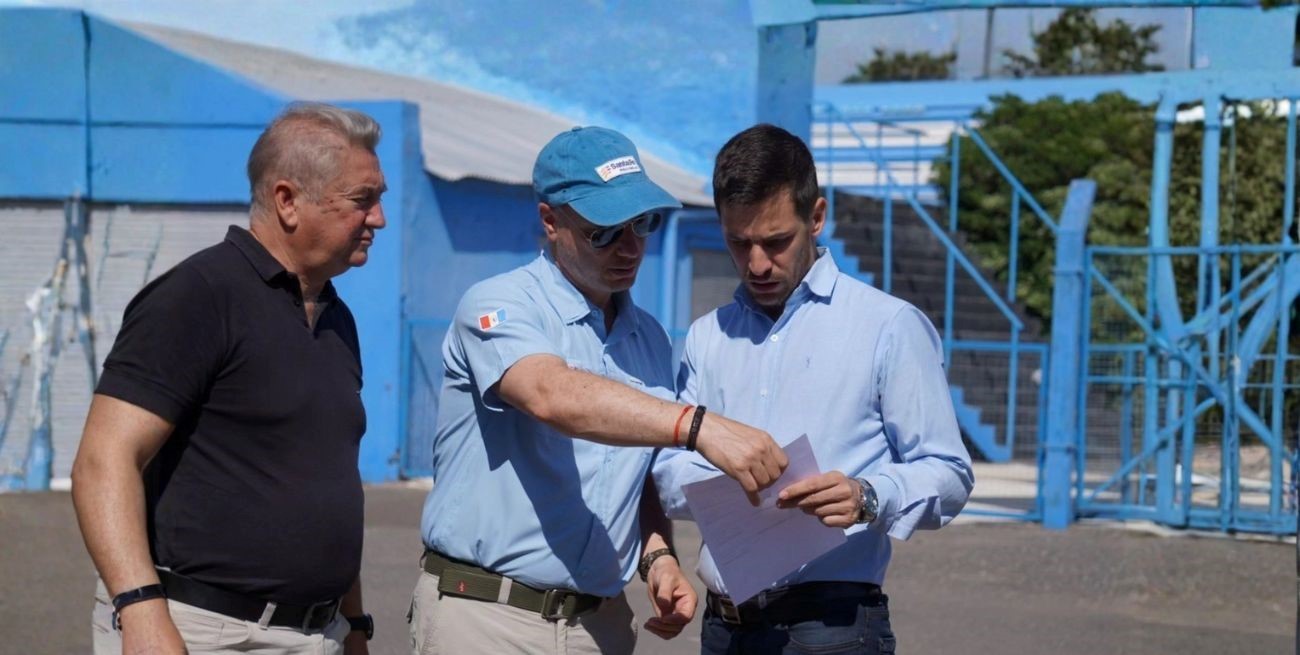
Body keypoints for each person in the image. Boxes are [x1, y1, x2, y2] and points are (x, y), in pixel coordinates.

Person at [409, 126, 789, 655]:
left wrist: (658, 556)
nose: (631, 246)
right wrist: (697, 426)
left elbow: (635, 479)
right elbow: (550, 394)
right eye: (604, 231)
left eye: (642, 223)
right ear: (550, 222)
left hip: (600, 627)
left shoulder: (649, 339)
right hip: (490, 618)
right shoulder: (499, 305)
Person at [71, 102, 388, 655]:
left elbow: (328, 483)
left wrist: (354, 623)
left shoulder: (336, 318)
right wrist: (141, 611)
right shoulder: (198, 295)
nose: (378, 218)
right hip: (205, 633)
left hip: (320, 634)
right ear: (288, 201)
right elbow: (104, 460)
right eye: (363, 200)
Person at [653, 124, 975, 654]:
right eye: (739, 243)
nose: (757, 263)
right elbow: (667, 472)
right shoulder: (708, 337)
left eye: (776, 241)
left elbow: (949, 471)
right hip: (723, 628)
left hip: (832, 630)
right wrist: (726, 475)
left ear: (817, 217)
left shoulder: (888, 327)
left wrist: (869, 496)